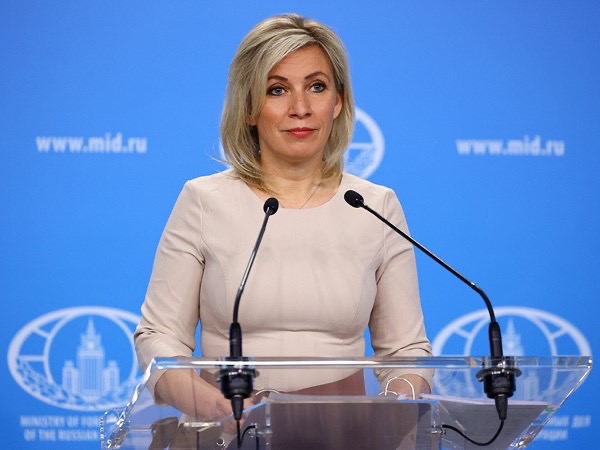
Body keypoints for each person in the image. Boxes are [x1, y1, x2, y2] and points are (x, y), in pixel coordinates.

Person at [134, 13, 432, 421]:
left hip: (345, 433)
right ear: (249, 108)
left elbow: (406, 352)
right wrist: (219, 410)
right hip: (227, 431)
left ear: (338, 101)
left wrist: (394, 408)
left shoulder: (375, 206)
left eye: (317, 86)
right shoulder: (203, 201)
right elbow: (159, 338)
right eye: (277, 90)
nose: (301, 108)